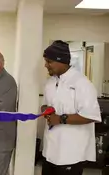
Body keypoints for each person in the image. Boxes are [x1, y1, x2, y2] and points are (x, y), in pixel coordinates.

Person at [41, 40, 101, 175]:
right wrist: (45, 110)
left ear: (61, 61)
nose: (45, 65)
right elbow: (45, 104)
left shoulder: (82, 83)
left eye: (49, 61)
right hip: (50, 151)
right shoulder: (51, 82)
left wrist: (61, 119)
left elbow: (91, 115)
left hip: (71, 154)